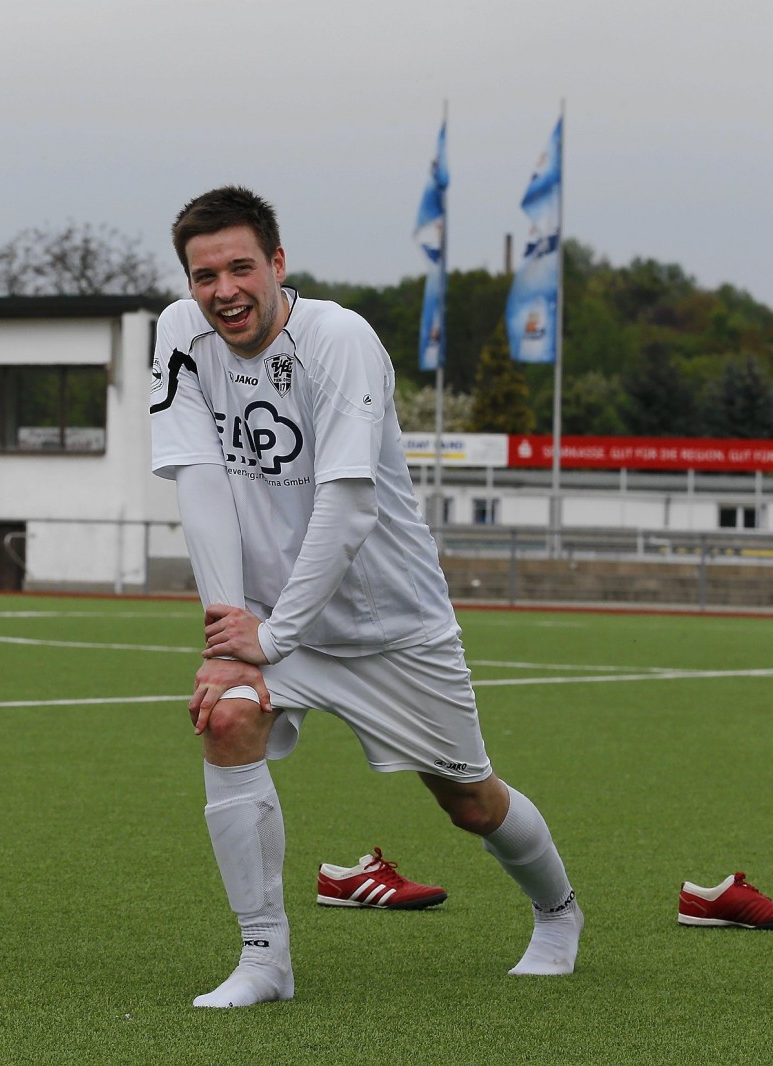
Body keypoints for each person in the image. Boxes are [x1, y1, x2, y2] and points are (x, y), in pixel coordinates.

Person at [149, 186, 582, 1008]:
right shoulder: (179, 334)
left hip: (392, 628)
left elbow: (349, 506)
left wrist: (268, 642)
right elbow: (199, 483)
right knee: (227, 715)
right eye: (204, 276)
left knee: (469, 800)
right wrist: (231, 641)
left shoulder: (340, 340)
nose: (224, 290)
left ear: (278, 264)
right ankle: (264, 961)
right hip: (276, 625)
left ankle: (557, 913)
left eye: (242, 267)